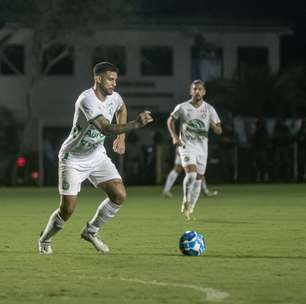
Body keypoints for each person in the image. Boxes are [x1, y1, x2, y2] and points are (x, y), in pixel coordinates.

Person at [38, 62, 153, 254]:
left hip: (97, 155)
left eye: (116, 80)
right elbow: (105, 128)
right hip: (72, 158)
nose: (114, 84)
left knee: (119, 195)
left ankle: (91, 231)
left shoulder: (114, 97)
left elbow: (122, 108)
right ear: (98, 78)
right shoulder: (86, 100)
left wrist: (121, 137)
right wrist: (135, 124)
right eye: (110, 79)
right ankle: (45, 240)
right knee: (67, 210)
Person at [167, 79, 222, 220]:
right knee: (191, 174)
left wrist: (213, 125)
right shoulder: (183, 107)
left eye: (200, 89)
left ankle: (190, 208)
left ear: (204, 92)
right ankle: (185, 199)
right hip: (186, 146)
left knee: (198, 179)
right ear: (191, 91)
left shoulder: (209, 109)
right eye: (194, 89)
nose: (197, 91)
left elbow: (219, 130)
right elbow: (170, 120)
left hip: (202, 149)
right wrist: (174, 136)